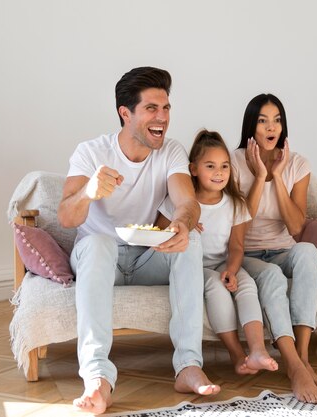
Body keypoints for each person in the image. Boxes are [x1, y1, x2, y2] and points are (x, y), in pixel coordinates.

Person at [57, 66, 220, 415]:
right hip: (100, 259)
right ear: (125, 113)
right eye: (151, 108)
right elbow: (66, 217)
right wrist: (87, 192)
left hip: (146, 256)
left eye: (166, 108)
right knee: (98, 243)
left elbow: (188, 203)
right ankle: (98, 378)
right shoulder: (91, 152)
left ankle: (188, 365)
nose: (162, 117)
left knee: (190, 241)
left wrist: (181, 224)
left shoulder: (171, 151)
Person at [231, 93, 317, 404]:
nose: (271, 127)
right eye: (262, 121)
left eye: (277, 120)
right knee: (271, 272)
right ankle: (295, 365)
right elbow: (239, 225)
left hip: (282, 247)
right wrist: (261, 176)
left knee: (308, 252)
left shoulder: (297, 163)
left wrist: (279, 177)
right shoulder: (233, 161)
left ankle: (300, 360)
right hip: (245, 253)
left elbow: (296, 227)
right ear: (251, 127)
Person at [159, 129, 279, 376]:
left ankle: (257, 350)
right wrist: (185, 221)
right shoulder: (181, 201)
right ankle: (236, 355)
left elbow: (236, 246)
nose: (219, 173)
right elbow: (159, 228)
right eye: (210, 166)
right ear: (193, 169)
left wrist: (232, 270)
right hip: (193, 269)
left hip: (223, 262)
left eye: (225, 166)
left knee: (247, 286)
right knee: (215, 286)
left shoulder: (234, 203)